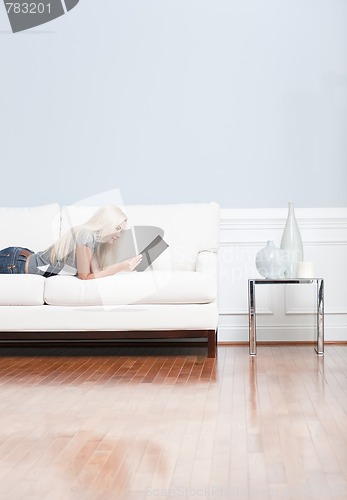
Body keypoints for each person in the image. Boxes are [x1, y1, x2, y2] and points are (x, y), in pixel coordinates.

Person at [0, 205, 142, 279]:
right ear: (106, 223)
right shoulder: (86, 236)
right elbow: (85, 277)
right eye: (117, 228)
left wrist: (124, 267)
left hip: (21, 258)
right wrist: (121, 266)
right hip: (15, 264)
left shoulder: (94, 242)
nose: (119, 234)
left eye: (121, 230)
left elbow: (96, 273)